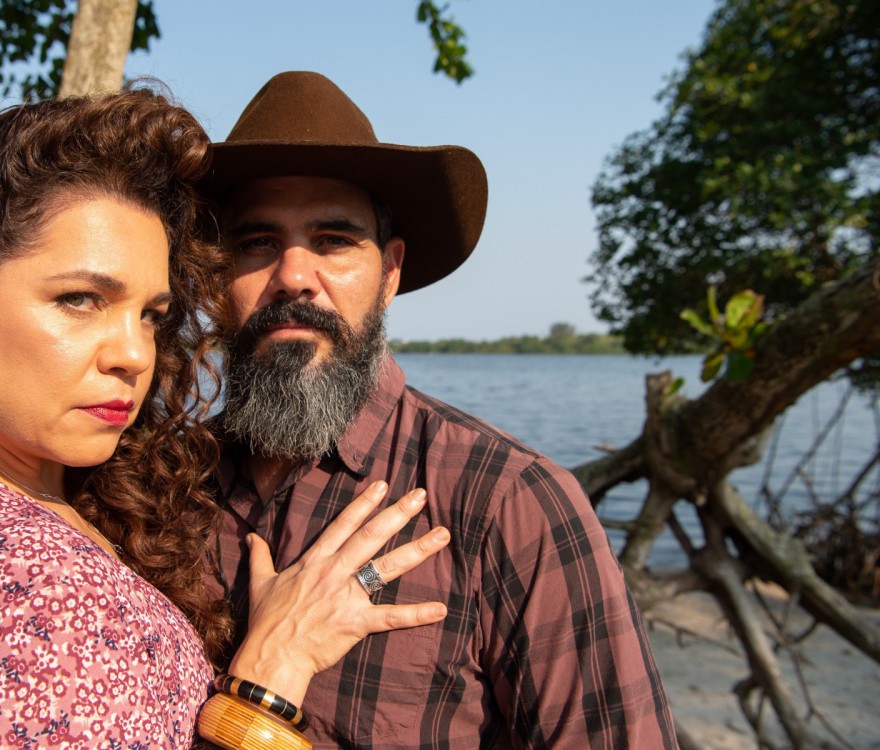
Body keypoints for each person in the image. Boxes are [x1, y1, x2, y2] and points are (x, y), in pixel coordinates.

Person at [0, 89, 452, 750]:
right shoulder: (15, 600)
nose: (133, 354)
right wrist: (271, 677)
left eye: (151, 315)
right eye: (80, 299)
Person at [204, 71, 679, 748]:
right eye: (256, 243)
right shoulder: (160, 482)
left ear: (390, 273)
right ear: (211, 274)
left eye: (334, 240)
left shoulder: (509, 503)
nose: (294, 275)